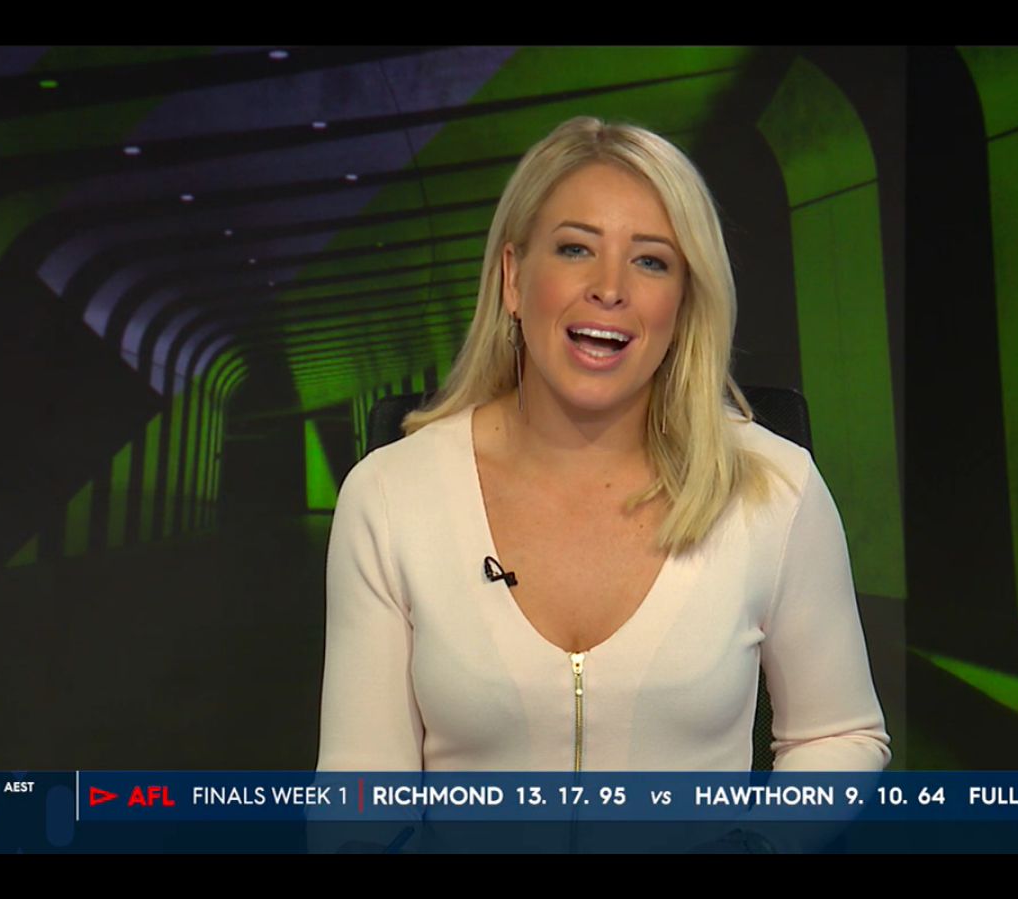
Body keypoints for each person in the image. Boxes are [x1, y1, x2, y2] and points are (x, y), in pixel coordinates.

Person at [317, 116, 889, 772]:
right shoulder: (390, 496)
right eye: (575, 249)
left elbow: (838, 736)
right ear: (513, 279)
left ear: (684, 302)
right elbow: (360, 789)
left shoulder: (776, 488)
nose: (610, 289)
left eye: (650, 261)